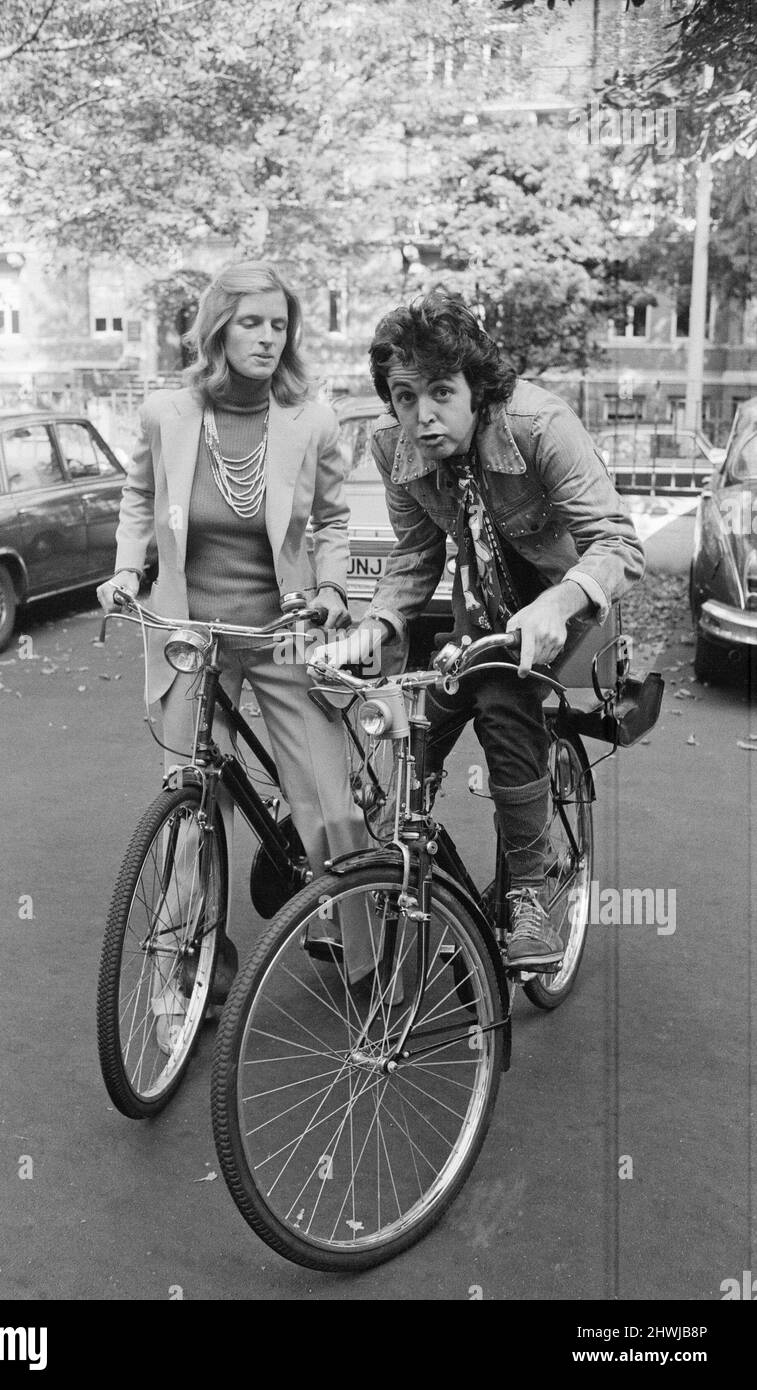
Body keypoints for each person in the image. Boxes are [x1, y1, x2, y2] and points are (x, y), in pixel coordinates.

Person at [313, 289, 645, 970]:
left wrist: (556, 606)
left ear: (475, 387)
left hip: (567, 593)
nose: (421, 416)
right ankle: (383, 855)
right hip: (483, 598)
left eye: (440, 392)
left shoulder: (538, 423)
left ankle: (530, 889)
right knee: (423, 709)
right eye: (405, 397)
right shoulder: (392, 445)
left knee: (498, 698)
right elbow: (413, 556)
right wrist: (375, 624)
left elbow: (615, 542)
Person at [97, 260, 372, 1052]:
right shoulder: (166, 413)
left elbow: (329, 522)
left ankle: (363, 966)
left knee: (329, 805)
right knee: (189, 810)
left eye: (278, 325)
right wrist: (126, 569)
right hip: (188, 637)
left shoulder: (308, 420)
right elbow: (140, 501)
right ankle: (188, 974)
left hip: (280, 631)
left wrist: (331, 591)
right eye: (251, 322)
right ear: (218, 328)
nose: (266, 337)